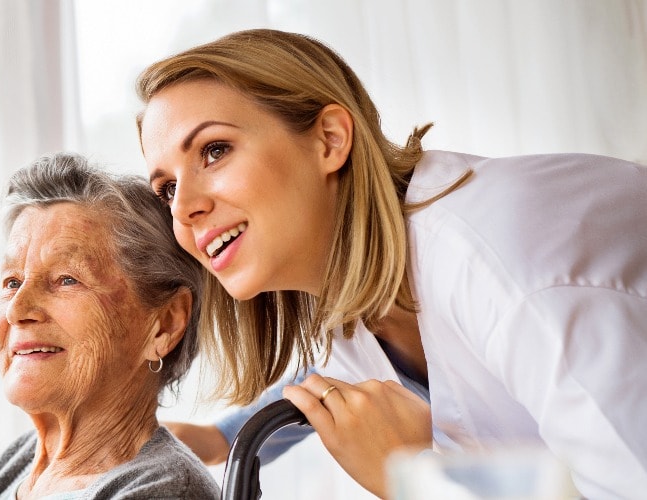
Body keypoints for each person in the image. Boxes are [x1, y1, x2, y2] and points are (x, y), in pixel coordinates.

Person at [136, 28, 647, 498]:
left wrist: (411, 479)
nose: (183, 209)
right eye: (167, 188)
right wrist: (222, 436)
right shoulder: (361, 292)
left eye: (215, 150)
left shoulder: (504, 267)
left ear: (330, 140)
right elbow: (333, 372)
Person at [0, 153, 220, 499]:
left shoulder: (164, 491)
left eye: (66, 279)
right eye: (12, 282)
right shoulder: (21, 462)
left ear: (165, 324)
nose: (17, 310)